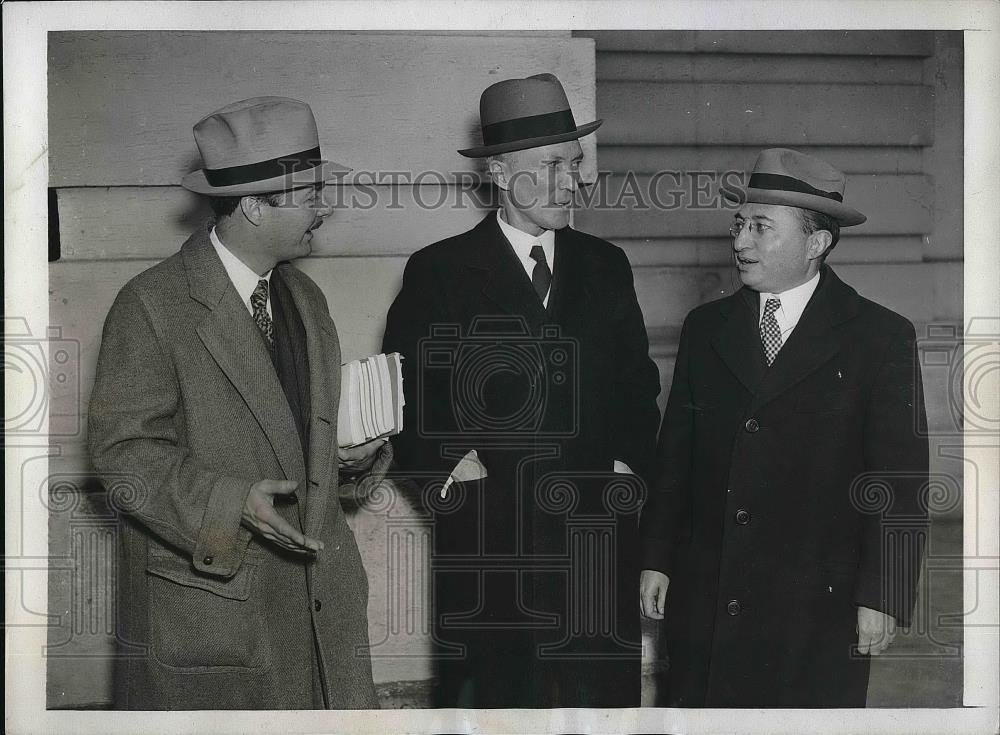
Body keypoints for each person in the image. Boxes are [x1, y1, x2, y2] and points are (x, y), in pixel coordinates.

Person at [88, 96, 391, 709]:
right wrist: (230, 503)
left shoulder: (306, 299)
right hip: (217, 619)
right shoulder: (151, 305)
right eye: (309, 195)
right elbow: (122, 456)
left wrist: (348, 457)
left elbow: (297, 444)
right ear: (253, 206)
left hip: (320, 624)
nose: (323, 209)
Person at [382, 73, 661, 708]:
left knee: (602, 710)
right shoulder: (440, 272)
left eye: (578, 161)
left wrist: (620, 472)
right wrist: (455, 476)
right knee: (499, 709)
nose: (576, 180)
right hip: (491, 554)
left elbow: (637, 391)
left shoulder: (605, 265)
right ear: (503, 174)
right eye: (555, 164)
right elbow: (408, 400)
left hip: (595, 546)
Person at [638, 148, 929, 707]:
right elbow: (676, 454)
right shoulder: (706, 328)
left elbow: (900, 480)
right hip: (710, 595)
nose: (739, 241)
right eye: (739, 224)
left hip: (818, 608)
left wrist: (883, 593)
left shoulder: (879, 337)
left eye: (761, 227)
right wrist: (657, 556)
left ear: (816, 243)